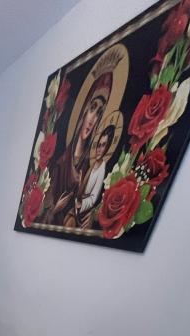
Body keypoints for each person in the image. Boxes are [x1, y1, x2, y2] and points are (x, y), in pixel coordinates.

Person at [46, 71, 112, 226]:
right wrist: (55, 209)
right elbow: (45, 214)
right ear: (84, 110)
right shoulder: (61, 164)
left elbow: (89, 203)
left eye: (99, 113)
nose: (92, 119)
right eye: (92, 108)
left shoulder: (91, 166)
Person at [73, 124, 116, 229]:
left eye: (103, 145)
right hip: (78, 203)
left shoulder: (102, 168)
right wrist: (80, 184)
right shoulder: (92, 165)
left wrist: (81, 204)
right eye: (99, 145)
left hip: (84, 209)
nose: (99, 149)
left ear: (108, 147)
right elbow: (82, 190)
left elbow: (93, 198)